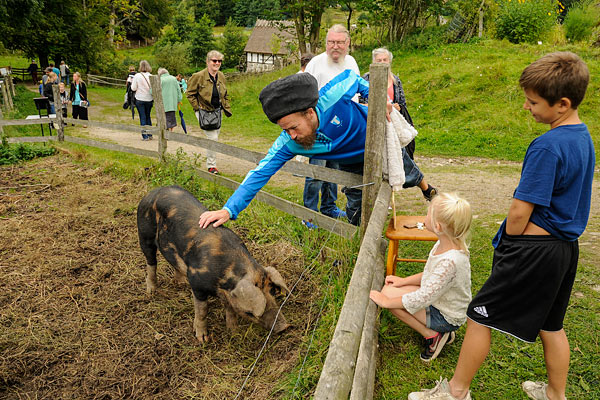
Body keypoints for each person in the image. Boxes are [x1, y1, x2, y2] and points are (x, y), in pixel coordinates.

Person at [408, 52, 595, 400]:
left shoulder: (547, 146)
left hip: (533, 250)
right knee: (551, 324)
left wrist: (509, 242)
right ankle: (556, 394)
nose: (527, 108)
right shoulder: (583, 138)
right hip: (565, 251)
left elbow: (520, 210)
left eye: (533, 102)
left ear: (562, 104)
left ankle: (455, 392)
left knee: (479, 315)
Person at [198, 71, 434, 229]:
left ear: (310, 113)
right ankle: (359, 246)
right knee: (354, 206)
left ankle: (427, 189)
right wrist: (229, 209)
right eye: (284, 130)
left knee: (407, 171)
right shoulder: (288, 142)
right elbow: (259, 173)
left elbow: (354, 78)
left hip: (375, 141)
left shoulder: (330, 97)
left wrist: (377, 97)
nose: (291, 135)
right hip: (351, 161)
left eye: (293, 127)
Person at [369, 192, 472, 362]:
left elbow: (421, 298)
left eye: (428, 214)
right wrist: (403, 281)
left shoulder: (450, 262)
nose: (425, 216)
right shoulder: (445, 244)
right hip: (440, 302)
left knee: (388, 296)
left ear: (438, 227)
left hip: (446, 315)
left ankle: (432, 335)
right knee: (391, 290)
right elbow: (431, 275)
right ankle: (440, 330)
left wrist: (387, 303)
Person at [301, 24, 360, 225]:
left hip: (342, 130)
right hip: (319, 129)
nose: (335, 46)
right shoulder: (316, 64)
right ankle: (309, 214)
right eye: (331, 42)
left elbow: (357, 92)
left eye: (339, 42)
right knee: (316, 172)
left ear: (347, 43)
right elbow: (303, 92)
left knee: (334, 171)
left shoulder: (351, 63)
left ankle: (329, 207)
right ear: (326, 43)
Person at [361, 48, 417, 160]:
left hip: (392, 122)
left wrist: (398, 107)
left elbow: (402, 103)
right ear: (373, 62)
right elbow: (361, 102)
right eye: (379, 60)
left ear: (389, 61)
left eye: (384, 60)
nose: (382, 63)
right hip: (372, 121)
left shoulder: (395, 80)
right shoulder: (365, 79)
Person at [186, 50, 232, 174]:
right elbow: (190, 94)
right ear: (208, 62)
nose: (217, 63)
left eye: (219, 61)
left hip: (217, 111)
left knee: (215, 136)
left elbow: (225, 93)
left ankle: (212, 162)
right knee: (213, 138)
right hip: (204, 112)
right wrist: (197, 108)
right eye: (214, 61)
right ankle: (211, 166)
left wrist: (225, 105)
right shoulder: (198, 76)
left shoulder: (221, 75)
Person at [131, 60, 154, 140]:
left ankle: (145, 135)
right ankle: (150, 133)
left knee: (142, 117)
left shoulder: (137, 76)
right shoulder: (151, 76)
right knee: (148, 116)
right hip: (149, 98)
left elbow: (133, 88)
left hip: (140, 98)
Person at [158, 68, 182, 132]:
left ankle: (165, 131)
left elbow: (152, 91)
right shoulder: (173, 79)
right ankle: (171, 131)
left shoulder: (160, 79)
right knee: (171, 117)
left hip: (162, 102)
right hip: (172, 102)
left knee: (164, 117)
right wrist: (179, 99)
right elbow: (178, 90)